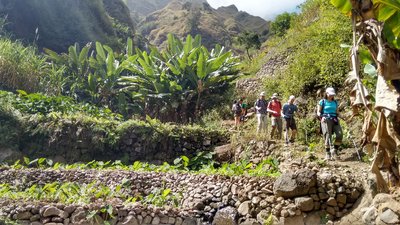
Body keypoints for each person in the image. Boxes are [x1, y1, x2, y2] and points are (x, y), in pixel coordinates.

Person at [317, 87, 343, 160]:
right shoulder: (322, 101)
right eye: (330, 94)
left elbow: (337, 112)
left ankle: (335, 150)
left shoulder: (335, 102)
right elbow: (318, 112)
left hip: (334, 119)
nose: (332, 96)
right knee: (328, 136)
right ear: (327, 93)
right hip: (325, 119)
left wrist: (342, 116)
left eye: (333, 94)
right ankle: (328, 153)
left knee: (339, 134)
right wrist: (321, 116)